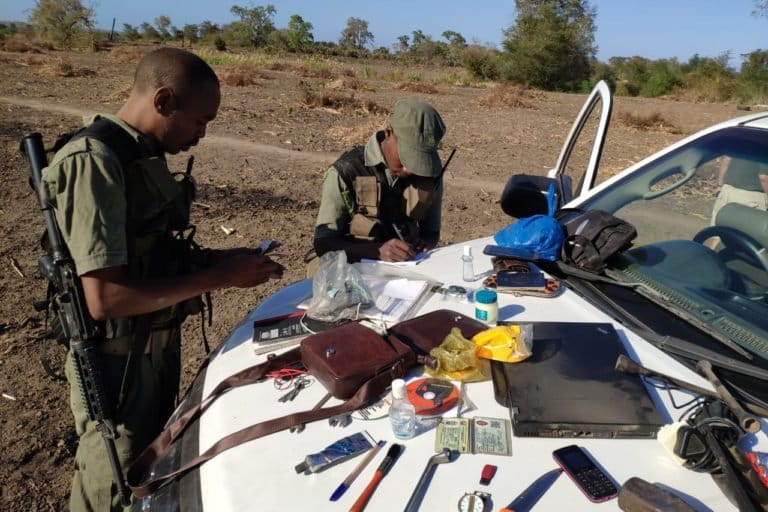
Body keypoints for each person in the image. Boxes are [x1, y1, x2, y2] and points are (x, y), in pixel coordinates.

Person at [40, 48, 283, 511]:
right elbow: (105, 298)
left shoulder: (137, 154)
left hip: (150, 349)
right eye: (199, 121)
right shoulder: (95, 161)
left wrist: (221, 260)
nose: (201, 134)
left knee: (151, 468)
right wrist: (220, 277)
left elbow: (151, 254)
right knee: (112, 479)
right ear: (165, 100)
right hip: (116, 364)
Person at [312, 98, 447, 264]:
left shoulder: (430, 174)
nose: (412, 169)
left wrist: (422, 243)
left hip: (405, 268)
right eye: (408, 156)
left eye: (420, 159)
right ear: (388, 133)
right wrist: (377, 252)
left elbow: (431, 233)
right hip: (350, 266)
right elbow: (323, 244)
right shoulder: (347, 171)